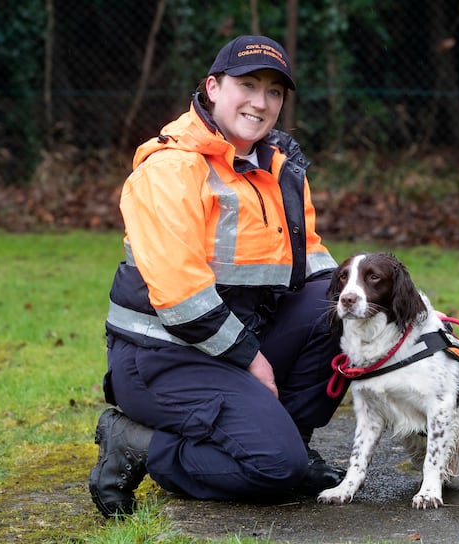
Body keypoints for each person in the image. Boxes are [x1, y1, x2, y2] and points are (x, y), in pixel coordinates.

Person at [88, 34, 348, 518]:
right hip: (161, 356)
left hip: (231, 342)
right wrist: (252, 360)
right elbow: (181, 294)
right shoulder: (170, 169)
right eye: (246, 85)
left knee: (339, 309)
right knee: (276, 470)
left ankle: (284, 437)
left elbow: (313, 264)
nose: (260, 101)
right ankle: (139, 444)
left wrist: (393, 308)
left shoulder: (279, 166)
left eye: (274, 91)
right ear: (212, 87)